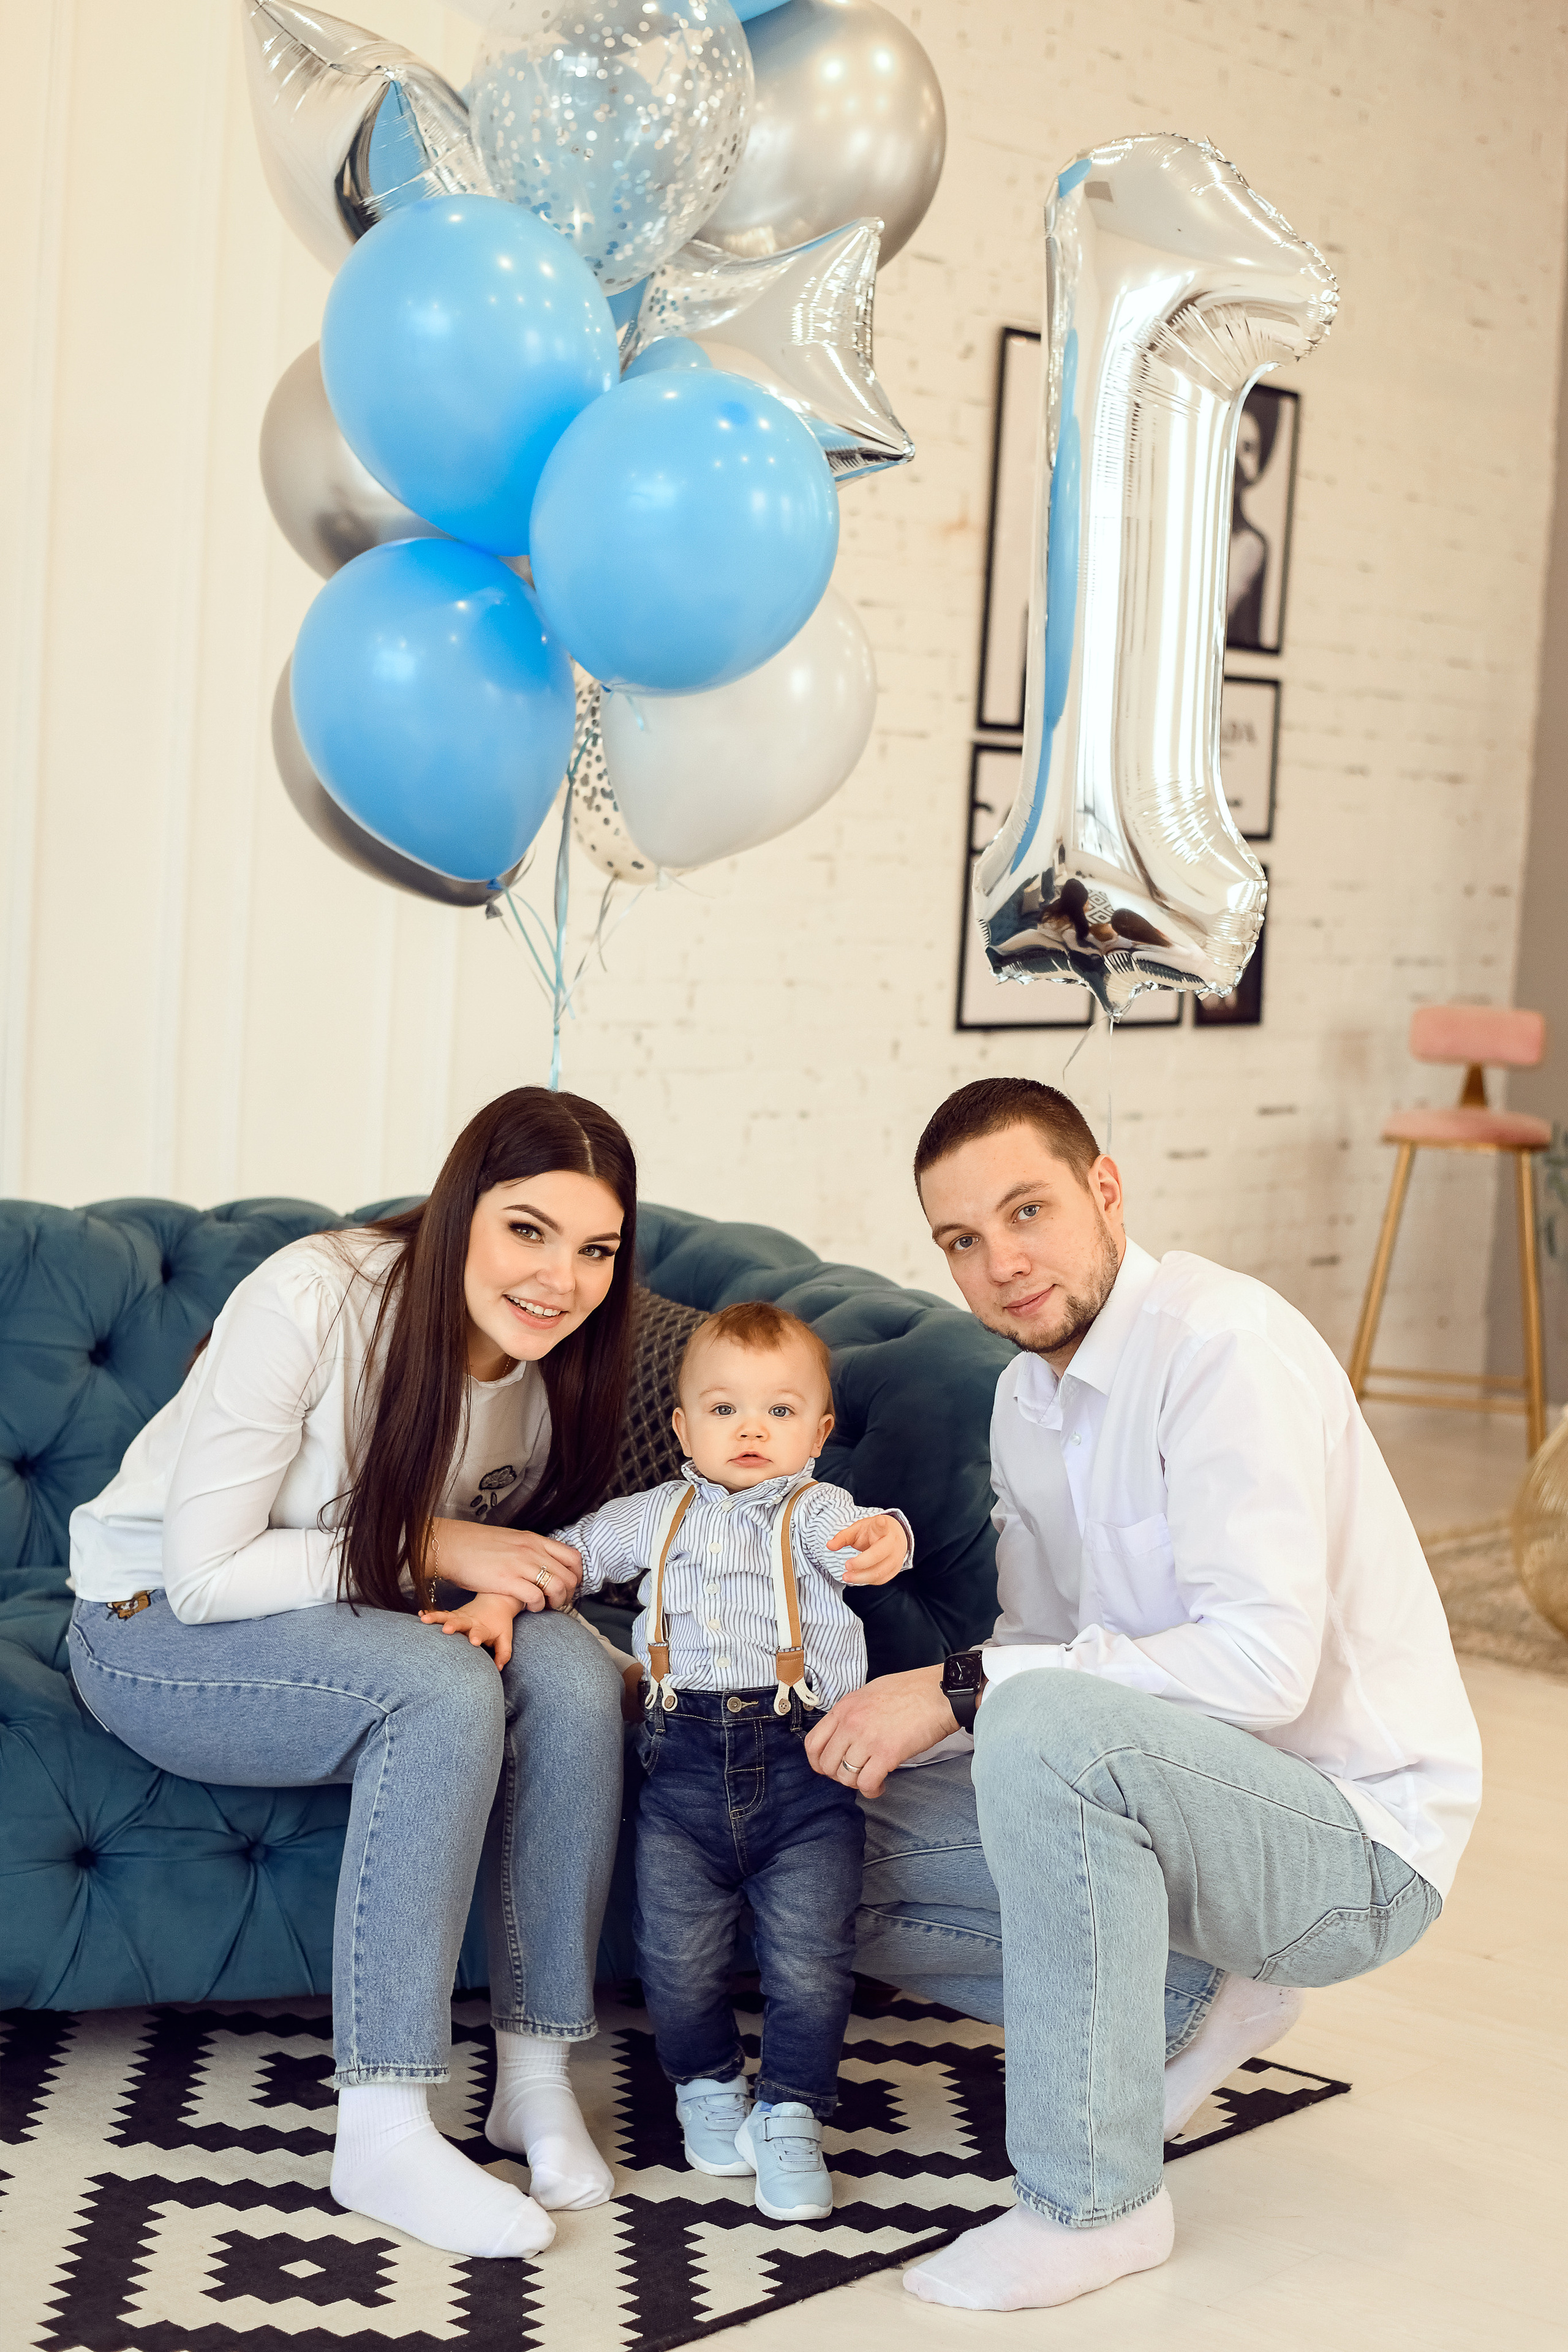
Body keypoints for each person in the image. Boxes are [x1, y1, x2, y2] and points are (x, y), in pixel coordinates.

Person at [804, 1076, 1482, 2313]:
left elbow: (1260, 1672)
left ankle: (1093, 2206)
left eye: (1027, 1212)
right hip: (1177, 1806)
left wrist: (958, 1687)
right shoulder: (1024, 1399)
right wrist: (914, 1716)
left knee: (1034, 1718)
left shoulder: (1224, 1348)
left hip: (1352, 1841)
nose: (1001, 1263)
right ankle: (1188, 1999)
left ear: (1103, 1191)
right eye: (961, 1240)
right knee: (797, 1805)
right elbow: (1041, 1644)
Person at [67, 1087, 636, 2263]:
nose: (561, 1279)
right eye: (528, 1229)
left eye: (596, 1250)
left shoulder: (553, 1363)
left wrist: (506, 1590)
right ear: (459, 1211)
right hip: (150, 1621)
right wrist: (431, 1541)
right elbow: (209, 1577)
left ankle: (534, 2078)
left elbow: (485, 1568)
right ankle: (382, 2124)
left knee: (575, 1685)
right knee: (440, 1692)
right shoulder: (313, 1296)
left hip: (355, 1608)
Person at [434, 1302, 910, 2222]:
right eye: (725, 1410)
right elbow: (564, 1560)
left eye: (779, 1412)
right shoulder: (652, 1515)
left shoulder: (820, 1512)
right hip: (680, 1766)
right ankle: (706, 2085)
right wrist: (499, 1602)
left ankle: (793, 2115)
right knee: (676, 1956)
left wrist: (883, 1540)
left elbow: (869, 1542)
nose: (751, 1431)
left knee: (810, 1957)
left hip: (805, 1765)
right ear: (684, 1426)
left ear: (818, 1432)